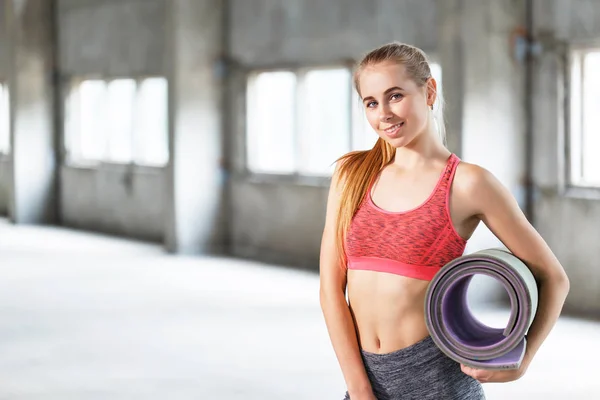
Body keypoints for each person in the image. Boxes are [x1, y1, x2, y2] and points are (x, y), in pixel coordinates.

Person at [319, 42, 570, 400]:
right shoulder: (350, 176)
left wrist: (523, 357)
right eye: (371, 102)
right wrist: (359, 389)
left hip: (439, 383)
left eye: (395, 96)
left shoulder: (469, 183)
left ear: (429, 91)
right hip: (364, 386)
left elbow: (554, 278)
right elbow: (330, 290)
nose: (384, 114)